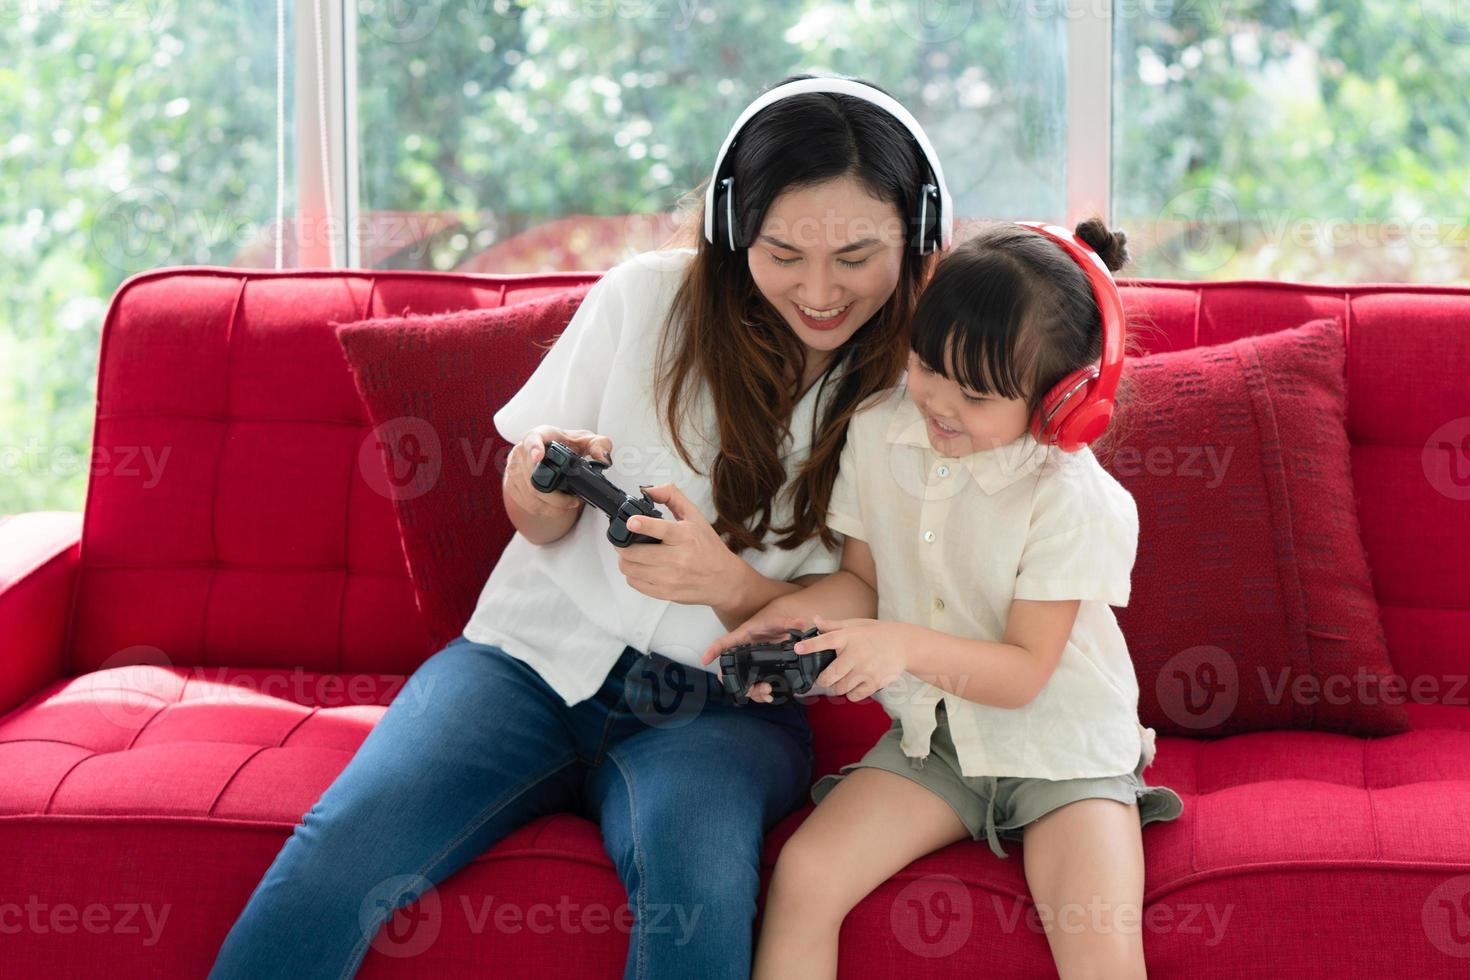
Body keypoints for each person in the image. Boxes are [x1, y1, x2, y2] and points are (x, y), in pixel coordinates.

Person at [207, 73, 951, 980]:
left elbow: (867, 602)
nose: (821, 289)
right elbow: (532, 510)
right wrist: (538, 484)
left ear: (917, 233)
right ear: (730, 226)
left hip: (721, 710)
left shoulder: (921, 392)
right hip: (522, 660)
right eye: (783, 251)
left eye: (858, 255)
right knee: (339, 859)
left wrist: (725, 584)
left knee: (698, 900)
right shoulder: (645, 299)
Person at [702, 219, 1186, 980]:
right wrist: (781, 623)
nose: (940, 403)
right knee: (806, 874)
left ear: (1064, 402)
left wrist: (899, 648)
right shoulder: (877, 433)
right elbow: (861, 583)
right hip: (940, 741)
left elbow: (1025, 673)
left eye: (978, 393)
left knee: (1099, 944)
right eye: (929, 367)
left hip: (1063, 750)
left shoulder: (1075, 500)